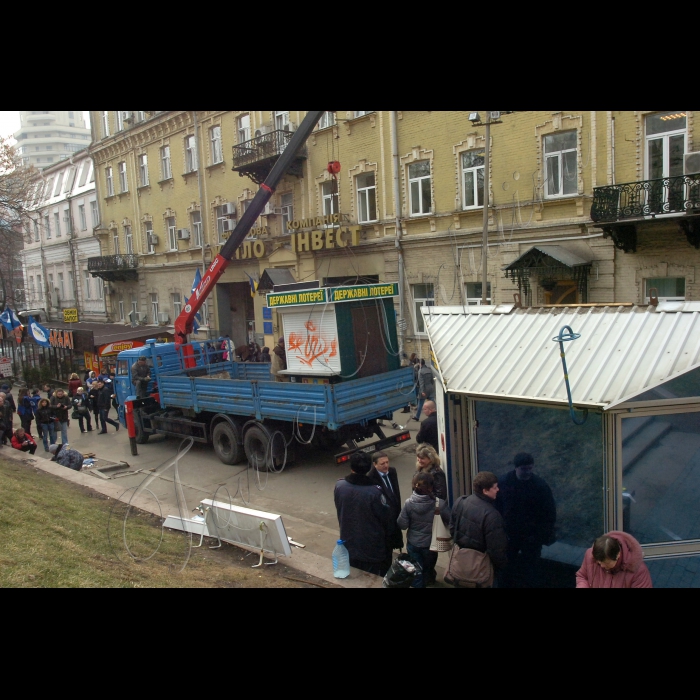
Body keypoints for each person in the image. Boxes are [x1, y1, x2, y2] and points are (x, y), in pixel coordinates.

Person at [495, 452, 557, 588]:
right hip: (511, 533)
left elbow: (549, 513)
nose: (528, 472)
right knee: (508, 567)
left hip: (530, 535)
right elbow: (497, 506)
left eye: (530, 468)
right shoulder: (505, 483)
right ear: (516, 468)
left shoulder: (538, 486)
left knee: (530, 568)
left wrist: (541, 534)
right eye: (524, 469)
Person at [333, 451, 389, 576]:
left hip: (348, 544)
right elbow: (385, 517)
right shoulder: (375, 492)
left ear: (351, 467)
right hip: (372, 548)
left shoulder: (340, 485)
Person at [448, 471, 508, 588]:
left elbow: (452, 528)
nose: (498, 490)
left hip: (460, 564)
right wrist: (502, 565)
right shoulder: (492, 515)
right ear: (485, 490)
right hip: (481, 569)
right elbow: (496, 548)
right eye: (495, 487)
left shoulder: (461, 502)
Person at [397, 471, 451, 588]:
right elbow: (450, 521)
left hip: (413, 544)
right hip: (431, 545)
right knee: (428, 568)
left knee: (416, 572)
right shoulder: (439, 504)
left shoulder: (408, 504)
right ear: (431, 487)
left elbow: (402, 524)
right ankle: (428, 580)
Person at [367, 451, 403, 574]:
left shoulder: (392, 472)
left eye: (387, 462)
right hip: (384, 520)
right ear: (375, 465)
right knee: (386, 550)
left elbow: (396, 493)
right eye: (382, 464)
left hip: (394, 516)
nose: (386, 465)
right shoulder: (371, 478)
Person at [576, 531, 652, 588]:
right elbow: (582, 576)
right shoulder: (590, 555)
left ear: (618, 554)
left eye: (607, 563)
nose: (602, 565)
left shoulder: (638, 571)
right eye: (599, 562)